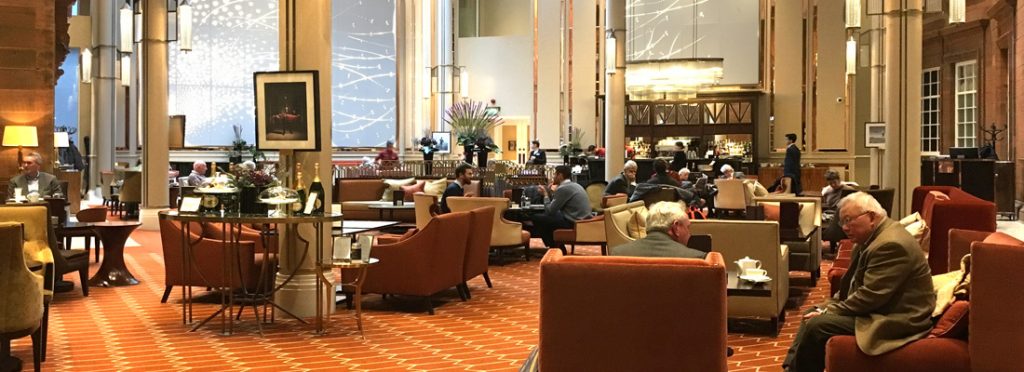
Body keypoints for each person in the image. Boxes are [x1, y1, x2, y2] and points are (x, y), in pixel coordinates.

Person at [782, 192, 934, 372]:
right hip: (880, 308)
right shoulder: (871, 239)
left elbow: (870, 297)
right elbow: (852, 286)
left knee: (817, 325)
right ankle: (789, 368)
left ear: (871, 217)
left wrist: (830, 310)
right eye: (842, 222)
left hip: (896, 317)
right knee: (812, 312)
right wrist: (827, 307)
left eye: (848, 220)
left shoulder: (891, 245)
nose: (844, 227)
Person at [611, 201, 706, 258]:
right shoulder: (696, 258)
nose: (689, 234)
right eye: (687, 228)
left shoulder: (618, 253)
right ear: (676, 227)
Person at [531, 165, 591, 248]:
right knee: (547, 217)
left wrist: (545, 194)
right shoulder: (575, 185)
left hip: (574, 222)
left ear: (560, 175)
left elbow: (550, 211)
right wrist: (549, 193)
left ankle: (556, 247)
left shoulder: (563, 188)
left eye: (554, 174)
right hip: (582, 220)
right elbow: (557, 205)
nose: (553, 177)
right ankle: (557, 245)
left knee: (536, 218)